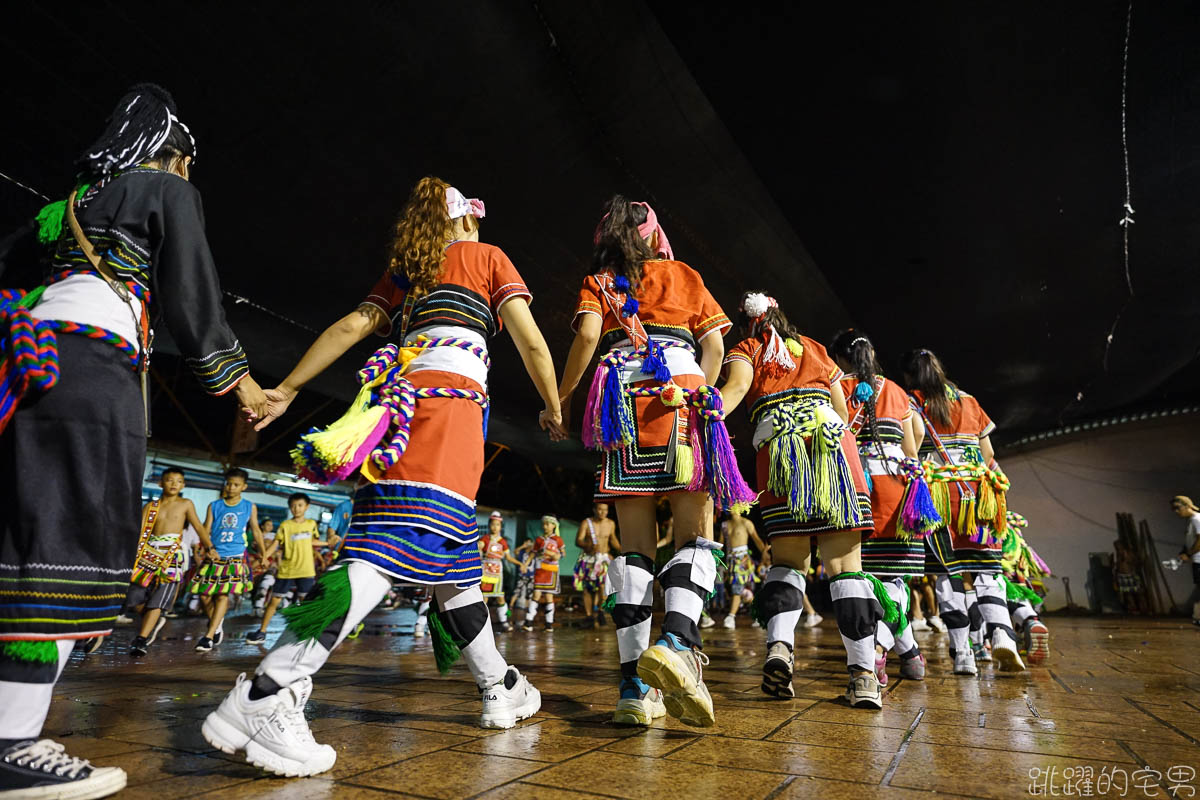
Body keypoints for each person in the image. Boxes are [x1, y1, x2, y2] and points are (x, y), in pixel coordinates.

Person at [202, 177, 561, 776]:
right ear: (468, 221)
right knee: (383, 552)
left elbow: (350, 327)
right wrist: (553, 404)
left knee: (454, 568)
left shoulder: (409, 270)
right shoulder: (487, 258)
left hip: (391, 415)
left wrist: (287, 389)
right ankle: (270, 689)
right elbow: (531, 342)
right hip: (449, 416)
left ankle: (501, 684)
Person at [0, 84, 268, 799]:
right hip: (92, 372)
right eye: (187, 163)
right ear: (170, 156)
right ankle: (11, 742)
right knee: (68, 549)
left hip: (28, 371)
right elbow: (192, 299)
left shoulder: (61, 209)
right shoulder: (163, 188)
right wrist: (240, 387)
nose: (187, 176)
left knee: (24, 541)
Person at [553, 196, 751, 729]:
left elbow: (589, 338)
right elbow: (713, 346)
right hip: (680, 400)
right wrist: (702, 393)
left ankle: (634, 690)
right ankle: (676, 643)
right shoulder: (684, 273)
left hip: (621, 404)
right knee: (695, 534)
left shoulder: (601, 282)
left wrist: (561, 400)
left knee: (634, 547)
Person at [720, 292, 883, 709]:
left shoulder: (746, 349)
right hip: (833, 451)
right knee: (846, 569)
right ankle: (864, 676)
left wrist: (707, 412)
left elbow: (736, 387)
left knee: (788, 562)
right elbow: (842, 412)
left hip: (779, 457)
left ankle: (779, 648)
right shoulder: (814, 348)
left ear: (747, 324)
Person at [900, 348, 1021, 674]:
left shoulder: (911, 400)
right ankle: (1002, 635)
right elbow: (988, 452)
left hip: (937, 495)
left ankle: (963, 653)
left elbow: (908, 444)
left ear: (911, 376)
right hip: (976, 497)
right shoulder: (968, 400)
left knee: (946, 573)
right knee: (987, 570)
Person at [831, 329, 940, 684]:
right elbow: (915, 441)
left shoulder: (835, 386)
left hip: (854, 485)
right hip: (896, 483)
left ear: (839, 359)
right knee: (894, 576)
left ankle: (889, 651)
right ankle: (900, 652)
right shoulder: (894, 389)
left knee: (864, 577)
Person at [128, 467, 211, 657]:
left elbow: (198, 526)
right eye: (170, 480)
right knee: (134, 597)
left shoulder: (186, 504)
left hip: (173, 555)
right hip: (148, 553)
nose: (174, 484)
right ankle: (153, 621)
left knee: (158, 599)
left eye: (178, 481)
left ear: (183, 484)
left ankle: (141, 640)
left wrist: (209, 547)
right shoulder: (151, 506)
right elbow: (140, 532)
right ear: (160, 483)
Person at [191, 468, 269, 651]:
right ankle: (216, 625)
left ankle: (208, 637)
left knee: (222, 594)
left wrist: (264, 553)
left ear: (244, 487)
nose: (231, 487)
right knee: (203, 594)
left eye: (236, 485)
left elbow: (256, 530)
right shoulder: (214, 505)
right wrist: (204, 547)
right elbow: (206, 528)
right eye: (229, 483)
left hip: (234, 556)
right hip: (214, 555)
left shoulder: (249, 506)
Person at [247, 494, 325, 644]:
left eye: (300, 505)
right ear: (290, 507)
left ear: (307, 507)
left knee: (305, 601)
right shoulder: (285, 525)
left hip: (307, 570)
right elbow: (276, 543)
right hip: (287, 569)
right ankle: (262, 632)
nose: (297, 509)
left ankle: (307, 633)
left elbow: (312, 542)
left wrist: (328, 543)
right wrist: (265, 556)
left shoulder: (311, 524)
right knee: (275, 600)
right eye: (294, 506)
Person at [574, 502, 619, 628]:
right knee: (587, 589)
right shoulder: (586, 523)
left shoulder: (610, 523)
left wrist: (623, 549)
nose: (602, 512)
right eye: (600, 509)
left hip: (604, 559)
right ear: (594, 510)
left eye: (605, 510)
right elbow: (578, 540)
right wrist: (588, 545)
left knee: (603, 587)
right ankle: (589, 616)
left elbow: (613, 539)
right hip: (588, 559)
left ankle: (600, 611)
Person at [721, 507, 766, 628]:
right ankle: (760, 616)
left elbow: (757, 540)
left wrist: (765, 556)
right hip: (730, 561)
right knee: (742, 593)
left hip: (743, 561)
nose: (731, 506)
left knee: (737, 588)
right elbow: (720, 545)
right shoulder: (724, 525)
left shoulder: (746, 523)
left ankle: (731, 617)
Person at [479, 511, 524, 632]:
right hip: (486, 570)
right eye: (493, 524)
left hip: (498, 572)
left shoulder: (503, 542)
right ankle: (482, 623)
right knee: (484, 597)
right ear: (489, 525)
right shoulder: (484, 539)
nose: (495, 527)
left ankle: (504, 621)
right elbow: (478, 551)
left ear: (501, 526)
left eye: (497, 525)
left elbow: (508, 558)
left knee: (500, 597)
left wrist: (520, 564)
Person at [523, 516, 566, 631]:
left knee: (548, 596)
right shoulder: (539, 540)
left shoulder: (558, 540)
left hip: (552, 570)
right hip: (540, 569)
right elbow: (533, 553)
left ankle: (549, 623)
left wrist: (555, 555)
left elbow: (563, 554)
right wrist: (525, 564)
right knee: (536, 594)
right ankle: (528, 621)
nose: (545, 526)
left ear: (554, 526)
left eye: (548, 524)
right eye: (544, 524)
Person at [1171, 496, 1200, 627]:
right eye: (1174, 509)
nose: (1176, 512)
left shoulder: (1196, 519)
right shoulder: (1191, 521)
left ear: (1187, 506)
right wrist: (1184, 552)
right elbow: (1192, 540)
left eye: (1178, 508)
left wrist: (1188, 553)